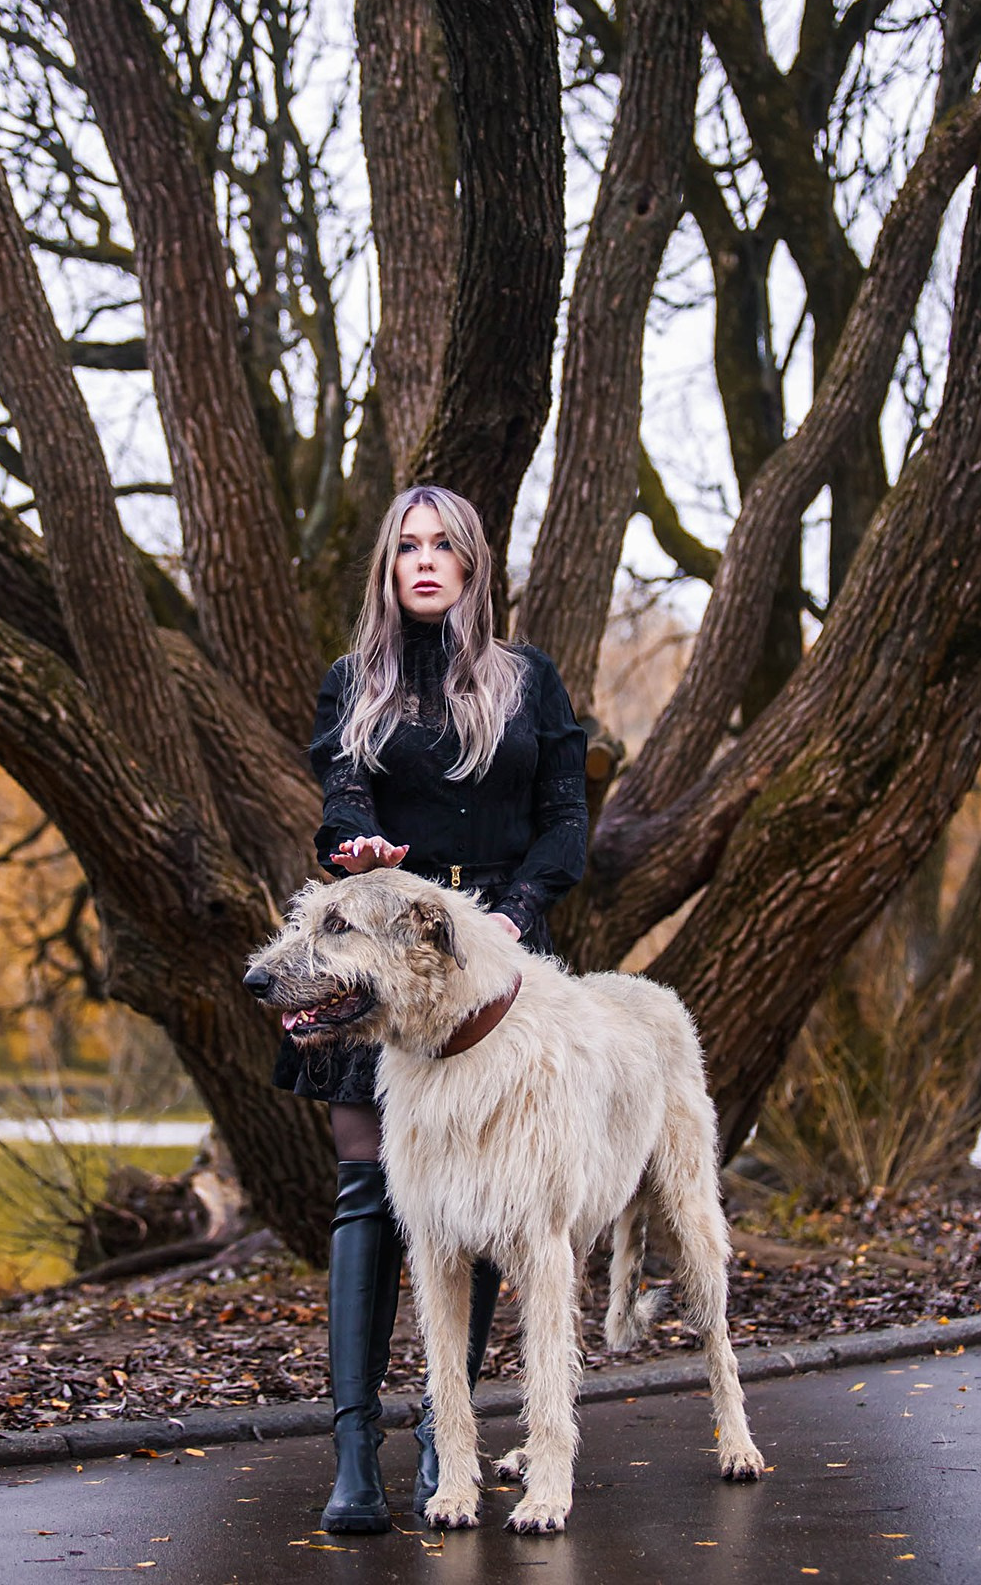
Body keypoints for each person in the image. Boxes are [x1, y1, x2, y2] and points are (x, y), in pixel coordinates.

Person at [274, 483, 588, 1533]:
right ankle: (353, 1452)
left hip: (499, 968)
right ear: (386, 566)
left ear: (471, 563)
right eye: (405, 545)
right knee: (368, 1191)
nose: (421, 561)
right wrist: (358, 850)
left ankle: (440, 1442)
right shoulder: (351, 684)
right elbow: (344, 802)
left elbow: (567, 825)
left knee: (485, 1207)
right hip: (383, 966)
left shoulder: (526, 680)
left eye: (441, 545)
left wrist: (515, 914)